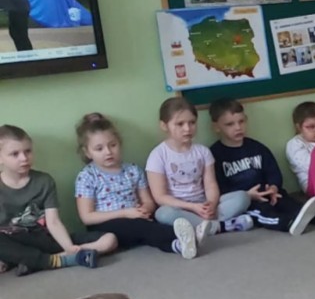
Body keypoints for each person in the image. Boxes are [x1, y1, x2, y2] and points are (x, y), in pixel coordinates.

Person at [74, 113, 199, 259]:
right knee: (142, 228)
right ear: (87, 152)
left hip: (135, 217)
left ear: (119, 143)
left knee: (158, 217)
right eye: (99, 149)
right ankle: (183, 237)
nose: (108, 152)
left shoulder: (132, 170)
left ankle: (179, 244)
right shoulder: (87, 176)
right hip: (105, 224)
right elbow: (87, 217)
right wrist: (125, 213)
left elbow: (148, 201)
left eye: (112, 145)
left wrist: (144, 210)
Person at [0, 124, 114, 274]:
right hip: (11, 242)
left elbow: (53, 222)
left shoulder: (44, 181)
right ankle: (50, 261)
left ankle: (46, 259)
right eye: (15, 154)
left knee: (109, 239)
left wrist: (69, 247)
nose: (24, 158)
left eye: (28, 151)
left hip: (44, 239)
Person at [210, 99, 315, 234]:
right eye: (230, 124)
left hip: (271, 193)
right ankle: (289, 223)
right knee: (264, 213)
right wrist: (248, 195)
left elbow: (273, 172)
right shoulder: (215, 154)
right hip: (249, 201)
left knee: (292, 204)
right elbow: (219, 187)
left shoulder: (257, 147)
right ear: (217, 127)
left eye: (241, 121)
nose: (238, 127)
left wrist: (274, 187)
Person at [147, 96, 254, 237]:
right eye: (180, 124)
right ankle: (221, 226)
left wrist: (211, 204)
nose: (187, 129)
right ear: (164, 126)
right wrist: (192, 207)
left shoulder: (203, 151)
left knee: (242, 196)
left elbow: (210, 184)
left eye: (192, 122)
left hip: (203, 205)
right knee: (162, 214)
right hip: (180, 208)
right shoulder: (158, 155)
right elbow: (160, 197)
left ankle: (204, 226)